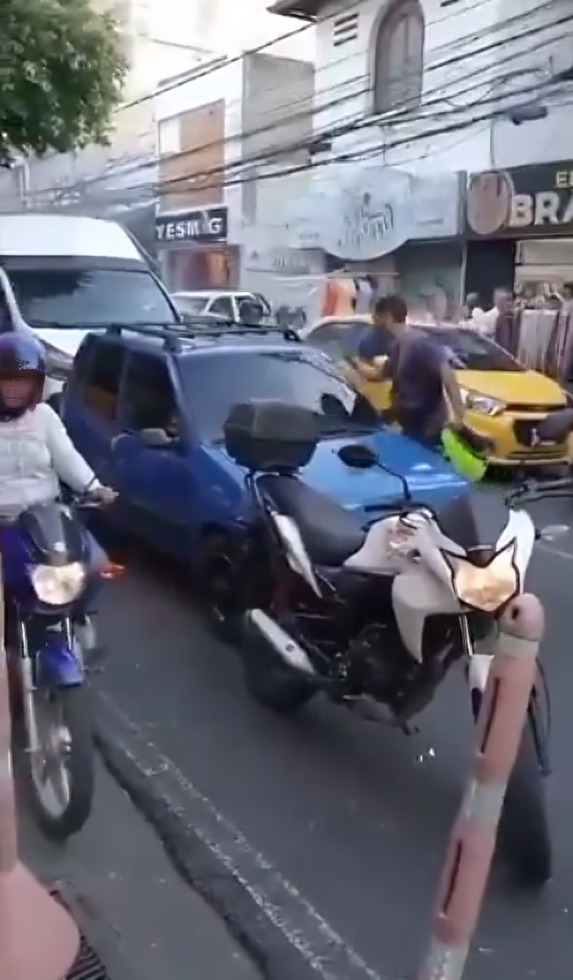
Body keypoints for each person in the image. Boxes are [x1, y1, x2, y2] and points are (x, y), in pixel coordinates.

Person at [0, 334, 116, 649]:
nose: (14, 388)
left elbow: (68, 459)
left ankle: (77, 616)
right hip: (2, 521)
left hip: (44, 518)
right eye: (7, 380)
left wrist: (96, 489)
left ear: (35, 385)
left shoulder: (45, 418)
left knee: (95, 565)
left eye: (22, 381)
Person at [349, 294, 465, 447]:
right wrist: (355, 362)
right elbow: (379, 374)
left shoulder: (420, 342)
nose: (375, 325)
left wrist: (458, 418)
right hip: (410, 425)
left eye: (377, 319)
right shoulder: (397, 347)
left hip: (427, 427)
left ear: (388, 318)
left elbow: (448, 376)